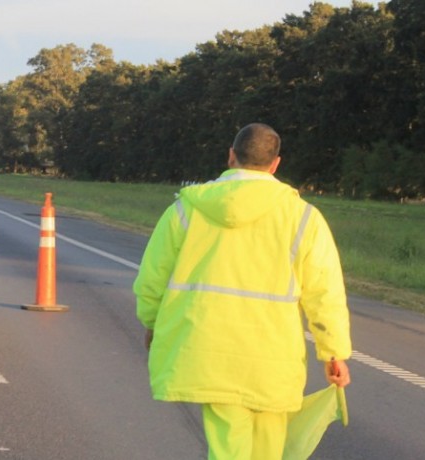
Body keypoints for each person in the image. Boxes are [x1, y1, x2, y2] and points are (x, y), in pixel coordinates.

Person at [134, 123, 352, 459]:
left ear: (231, 156)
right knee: (268, 448)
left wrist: (152, 322)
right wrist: (333, 352)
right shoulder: (303, 217)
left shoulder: (186, 209)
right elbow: (325, 294)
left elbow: (152, 278)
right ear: (276, 164)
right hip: (273, 359)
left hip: (210, 352)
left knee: (228, 448)